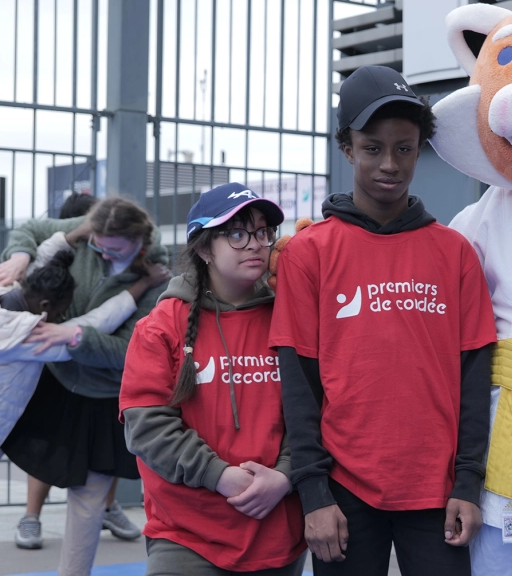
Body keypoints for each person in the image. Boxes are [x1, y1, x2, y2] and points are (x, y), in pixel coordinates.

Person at [271, 65, 497, 576]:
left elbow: (475, 377)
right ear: (347, 148)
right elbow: (299, 387)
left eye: (405, 147)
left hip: (436, 492)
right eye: (373, 147)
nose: (390, 163)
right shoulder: (310, 253)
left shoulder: (455, 253)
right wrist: (313, 493)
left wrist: (467, 483)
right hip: (342, 492)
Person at [120, 183, 306, 575]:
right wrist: (217, 475)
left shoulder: (291, 318)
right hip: (186, 536)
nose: (255, 244)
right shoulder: (160, 327)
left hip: (277, 531)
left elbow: (312, 410)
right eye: (236, 234)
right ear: (204, 248)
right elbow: (147, 427)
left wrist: (286, 475)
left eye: (261, 232)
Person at [0, 197, 171, 575]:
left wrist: (74, 337)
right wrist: (20, 255)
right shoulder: (88, 233)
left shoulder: (157, 273)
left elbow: (129, 349)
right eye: (97, 244)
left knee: (89, 497)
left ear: (138, 241)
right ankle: (31, 516)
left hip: (100, 396)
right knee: (43, 465)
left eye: (114, 248)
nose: (103, 252)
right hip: (54, 385)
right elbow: (30, 233)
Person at [1, 244, 169, 446]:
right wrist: (144, 283)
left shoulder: (8, 288)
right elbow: (96, 322)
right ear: (45, 305)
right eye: (60, 313)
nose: (61, 319)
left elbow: (47, 248)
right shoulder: (20, 336)